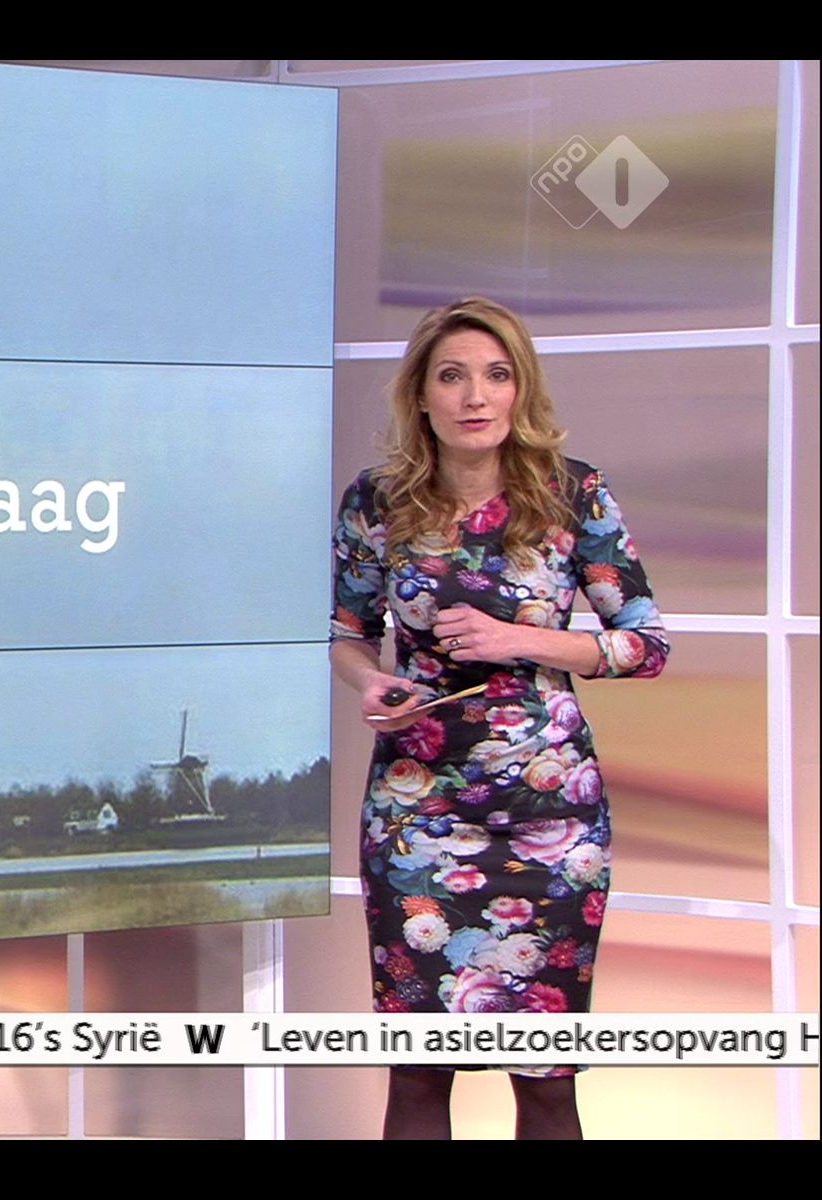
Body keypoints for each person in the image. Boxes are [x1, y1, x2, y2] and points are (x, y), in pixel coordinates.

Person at [327, 296, 670, 1140]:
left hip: (549, 817)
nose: (475, 396)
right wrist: (369, 683)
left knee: (547, 1081)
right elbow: (346, 633)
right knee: (417, 1073)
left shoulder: (572, 493)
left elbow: (645, 645)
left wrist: (519, 639)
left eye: (496, 374)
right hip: (418, 813)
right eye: (452, 376)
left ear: (521, 389)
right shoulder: (376, 500)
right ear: (421, 395)